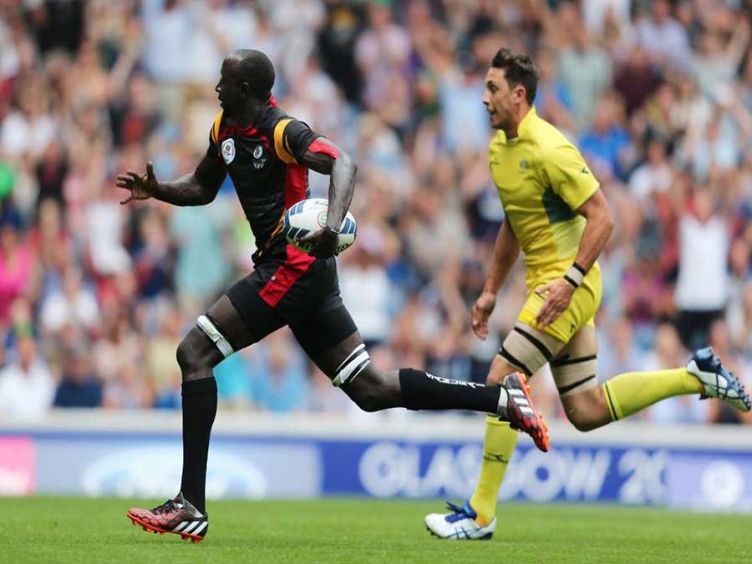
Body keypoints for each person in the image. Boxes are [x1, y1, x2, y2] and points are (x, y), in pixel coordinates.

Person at [117, 49, 548, 543]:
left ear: (247, 91)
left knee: (194, 351)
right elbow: (201, 186)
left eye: (225, 82)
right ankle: (502, 398)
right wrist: (159, 189)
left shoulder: (283, 131)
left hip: (293, 267)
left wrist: (331, 225)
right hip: (304, 275)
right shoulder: (224, 129)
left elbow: (344, 163)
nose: (217, 89)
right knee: (370, 390)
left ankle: (190, 504)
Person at [424, 47, 751, 540]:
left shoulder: (551, 148)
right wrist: (491, 290)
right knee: (585, 410)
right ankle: (694, 376)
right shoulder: (498, 151)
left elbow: (603, 217)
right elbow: (514, 223)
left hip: (568, 285)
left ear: (519, 94)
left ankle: (480, 514)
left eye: (493, 88)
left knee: (503, 377)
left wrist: (570, 280)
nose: (484, 98)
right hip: (549, 286)